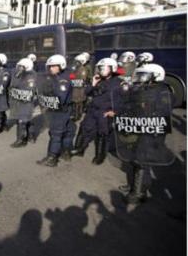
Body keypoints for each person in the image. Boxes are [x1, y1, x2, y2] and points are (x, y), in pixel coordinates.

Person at [112, 64, 175, 204]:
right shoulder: (143, 89)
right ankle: (135, 185)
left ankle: (139, 192)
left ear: (155, 76)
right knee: (136, 159)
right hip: (139, 130)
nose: (140, 78)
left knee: (142, 160)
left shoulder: (163, 92)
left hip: (151, 134)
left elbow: (162, 112)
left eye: (143, 75)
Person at [72, 58, 122, 165]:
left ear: (112, 68)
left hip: (105, 112)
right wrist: (93, 83)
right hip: (93, 109)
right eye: (100, 68)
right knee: (84, 127)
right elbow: (87, 92)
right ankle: (79, 149)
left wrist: (115, 111)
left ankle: (100, 156)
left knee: (102, 133)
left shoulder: (118, 82)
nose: (102, 70)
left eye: (104, 68)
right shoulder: (98, 79)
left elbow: (123, 99)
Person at [36, 54, 76, 167]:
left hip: (60, 110)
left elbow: (60, 98)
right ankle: (66, 152)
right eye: (50, 66)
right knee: (68, 131)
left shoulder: (64, 79)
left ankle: (52, 157)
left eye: (54, 66)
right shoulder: (56, 76)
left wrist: (48, 92)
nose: (51, 68)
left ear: (61, 66)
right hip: (61, 110)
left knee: (56, 133)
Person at [9, 58, 37, 147]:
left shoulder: (32, 76)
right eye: (19, 66)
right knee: (26, 119)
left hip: (26, 101)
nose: (19, 68)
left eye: (22, 67)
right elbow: (13, 85)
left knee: (22, 121)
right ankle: (30, 136)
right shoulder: (18, 75)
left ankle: (21, 140)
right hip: (18, 100)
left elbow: (30, 89)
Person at [70, 52, 92, 121]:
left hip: (79, 88)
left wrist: (73, 81)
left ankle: (77, 115)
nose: (76, 63)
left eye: (77, 62)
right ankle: (76, 114)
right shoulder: (75, 68)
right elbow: (71, 76)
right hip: (76, 87)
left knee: (78, 102)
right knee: (76, 102)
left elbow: (82, 79)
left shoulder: (82, 69)